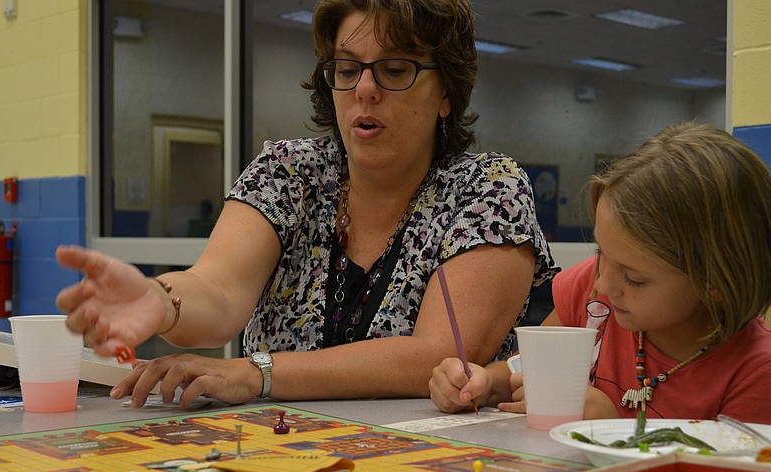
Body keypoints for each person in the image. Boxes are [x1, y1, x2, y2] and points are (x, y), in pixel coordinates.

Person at [55, 0, 557, 408]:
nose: (365, 89)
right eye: (346, 68)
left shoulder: (488, 189)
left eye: (395, 69)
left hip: (435, 466)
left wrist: (258, 372)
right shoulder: (291, 172)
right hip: (278, 458)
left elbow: (439, 354)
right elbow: (219, 290)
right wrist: (161, 301)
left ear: (446, 91)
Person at [430, 122, 771, 428]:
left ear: (716, 284)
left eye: (635, 278)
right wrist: (484, 384)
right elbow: (525, 373)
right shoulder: (589, 290)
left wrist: (611, 428)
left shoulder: (761, 372)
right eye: (601, 253)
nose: (604, 284)